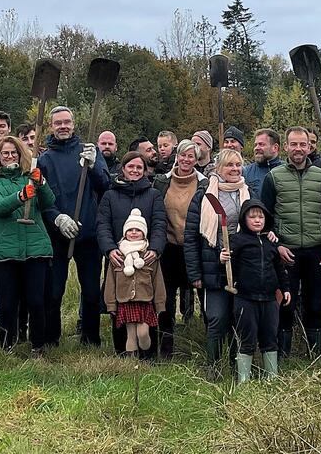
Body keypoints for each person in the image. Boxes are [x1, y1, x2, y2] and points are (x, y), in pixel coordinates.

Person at [37, 106, 112, 348]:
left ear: (73, 123)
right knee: (54, 291)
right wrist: (57, 218)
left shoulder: (89, 152)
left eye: (66, 122)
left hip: (88, 234)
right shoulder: (45, 160)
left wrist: (94, 167)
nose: (63, 126)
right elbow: (41, 198)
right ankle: (50, 338)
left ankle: (90, 338)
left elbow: (105, 186)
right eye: (58, 123)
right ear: (51, 126)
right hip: (57, 235)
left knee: (90, 291)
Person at [261, 127, 321, 355]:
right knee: (286, 302)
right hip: (287, 250)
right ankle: (283, 353)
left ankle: (315, 353)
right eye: (293, 144)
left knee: (315, 303)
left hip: (316, 250)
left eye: (303, 144)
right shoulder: (274, 177)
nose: (298, 149)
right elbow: (265, 217)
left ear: (309, 147)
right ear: (286, 147)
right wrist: (277, 246)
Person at [0, 136, 54, 354]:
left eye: (13, 153)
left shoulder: (30, 178)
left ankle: (38, 346)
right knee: (7, 303)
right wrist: (19, 197)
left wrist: (41, 184)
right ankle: (7, 345)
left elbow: (49, 202)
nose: (10, 156)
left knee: (36, 300)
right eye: (5, 153)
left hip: (35, 247)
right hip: (5, 250)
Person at [184, 148, 251, 376]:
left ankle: (236, 365)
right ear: (218, 169)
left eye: (237, 165)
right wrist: (195, 274)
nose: (234, 169)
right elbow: (191, 237)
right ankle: (213, 366)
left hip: (242, 268)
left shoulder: (248, 193)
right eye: (229, 165)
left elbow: (258, 223)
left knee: (238, 318)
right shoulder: (205, 195)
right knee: (217, 318)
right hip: (213, 267)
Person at [223, 200, 291, 382]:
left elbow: (278, 267)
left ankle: (272, 377)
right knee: (247, 337)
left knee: (270, 336)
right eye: (252, 216)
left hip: (269, 299)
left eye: (260, 216)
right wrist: (222, 258)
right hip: (245, 298)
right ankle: (243, 379)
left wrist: (285, 288)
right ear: (243, 219)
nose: (257, 220)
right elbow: (229, 265)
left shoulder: (270, 242)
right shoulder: (236, 240)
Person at [152, 146, 200, 357]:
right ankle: (166, 343)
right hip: (169, 247)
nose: (186, 159)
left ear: (196, 160)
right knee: (166, 299)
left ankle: (205, 342)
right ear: (176, 157)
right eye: (182, 155)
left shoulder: (204, 184)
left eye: (191, 156)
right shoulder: (162, 181)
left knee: (203, 296)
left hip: (194, 247)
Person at [103, 209, 166, 360]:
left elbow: (158, 280)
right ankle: (132, 364)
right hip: (125, 300)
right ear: (125, 232)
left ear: (144, 233)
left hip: (145, 301)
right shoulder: (118, 255)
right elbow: (110, 282)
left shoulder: (149, 255)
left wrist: (160, 304)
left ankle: (146, 354)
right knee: (130, 334)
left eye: (138, 230)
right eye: (130, 230)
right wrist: (111, 304)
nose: (133, 232)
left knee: (143, 333)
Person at [243, 128, 283, 203]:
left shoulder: (288, 171)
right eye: (255, 145)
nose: (257, 148)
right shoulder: (246, 172)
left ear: (275, 148)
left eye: (261, 144)